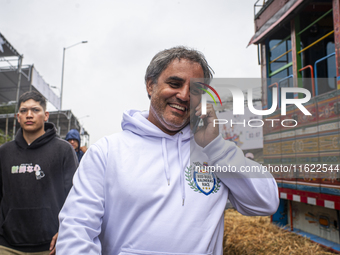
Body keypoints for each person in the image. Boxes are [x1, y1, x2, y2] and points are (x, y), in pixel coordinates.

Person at [56, 46, 279, 254]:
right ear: (150, 85)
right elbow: (77, 229)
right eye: (174, 83)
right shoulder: (107, 151)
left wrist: (216, 147)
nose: (183, 95)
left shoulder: (215, 152)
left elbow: (266, 202)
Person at [0, 91, 78, 255]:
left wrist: (66, 233)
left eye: (35, 110)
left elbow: (75, 196)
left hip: (49, 247)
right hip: (7, 246)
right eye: (24, 110)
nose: (29, 115)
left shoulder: (63, 150)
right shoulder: (4, 152)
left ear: (46, 115)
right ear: (18, 116)